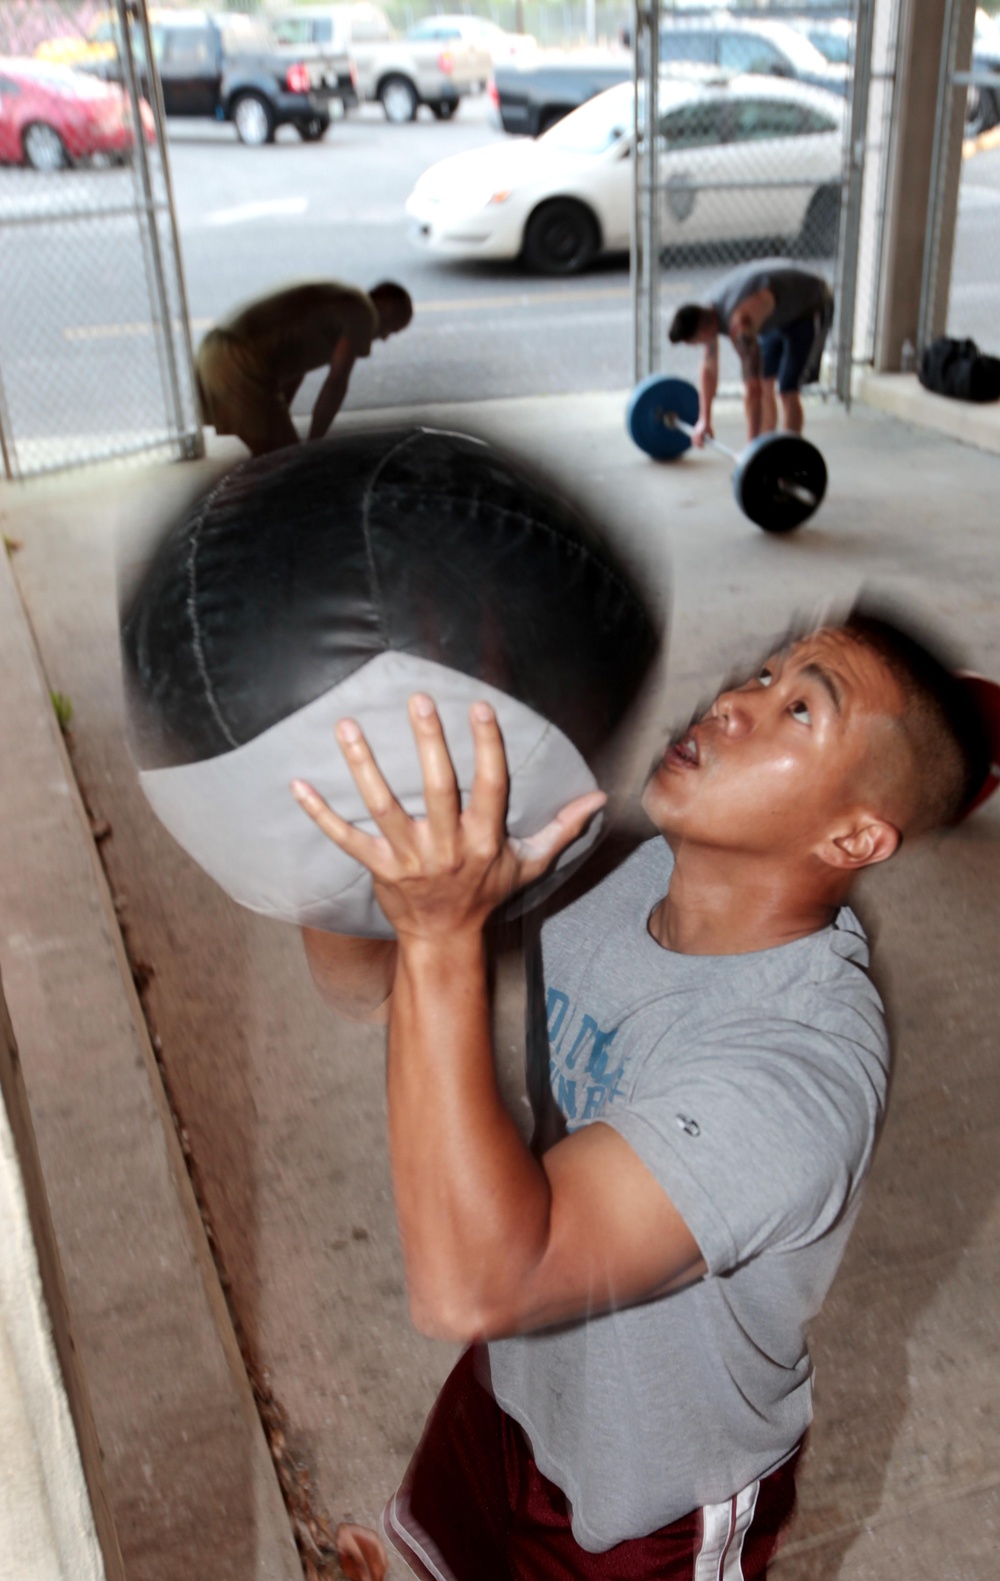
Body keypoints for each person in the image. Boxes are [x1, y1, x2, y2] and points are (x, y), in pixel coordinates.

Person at [289, 607, 989, 1580]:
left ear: (855, 835)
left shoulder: (799, 1072)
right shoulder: (615, 868)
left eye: (800, 708)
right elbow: (367, 985)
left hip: (649, 1501)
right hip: (513, 1385)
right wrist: (346, 823)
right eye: (763, 672)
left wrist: (439, 932)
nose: (734, 700)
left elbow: (472, 1279)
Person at [195, 279, 413, 457]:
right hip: (240, 359)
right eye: (393, 327)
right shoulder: (363, 312)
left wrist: (281, 419)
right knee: (285, 464)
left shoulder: (340, 302)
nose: (385, 337)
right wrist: (314, 444)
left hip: (212, 351)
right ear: (387, 307)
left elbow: (294, 370)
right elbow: (336, 382)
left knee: (259, 455)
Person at [668, 261, 834, 450]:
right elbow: (709, 368)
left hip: (809, 306)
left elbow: (752, 391)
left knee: (787, 389)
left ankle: (787, 456)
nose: (699, 346)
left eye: (696, 342)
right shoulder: (706, 313)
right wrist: (704, 419)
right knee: (765, 382)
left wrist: (750, 449)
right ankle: (766, 450)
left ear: (704, 331)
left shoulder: (741, 325)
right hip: (775, 313)